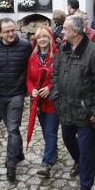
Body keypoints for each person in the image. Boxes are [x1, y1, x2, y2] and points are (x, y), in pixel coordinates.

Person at [51, 15, 95, 190]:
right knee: (68, 139)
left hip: (85, 111)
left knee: (87, 149)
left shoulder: (93, 52)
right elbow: (56, 73)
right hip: (65, 107)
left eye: (65, 29)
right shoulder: (63, 49)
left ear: (75, 32)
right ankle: (80, 162)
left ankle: (85, 186)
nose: (61, 32)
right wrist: (56, 95)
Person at [0, 18, 32, 182]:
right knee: (12, 127)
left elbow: (32, 68)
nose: (11, 34)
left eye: (13, 30)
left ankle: (11, 164)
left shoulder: (25, 46)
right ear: (0, 33)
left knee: (12, 127)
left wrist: (29, 88)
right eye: (7, 31)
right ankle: (19, 152)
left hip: (17, 93)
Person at [26, 26, 59, 178]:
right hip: (39, 102)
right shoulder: (32, 58)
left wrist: (50, 87)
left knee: (50, 131)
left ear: (50, 38)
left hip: (52, 102)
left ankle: (46, 164)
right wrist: (32, 89)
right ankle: (53, 154)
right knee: (47, 132)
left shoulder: (57, 57)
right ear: (36, 40)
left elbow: (61, 78)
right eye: (39, 37)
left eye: (45, 37)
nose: (42, 40)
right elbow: (29, 79)